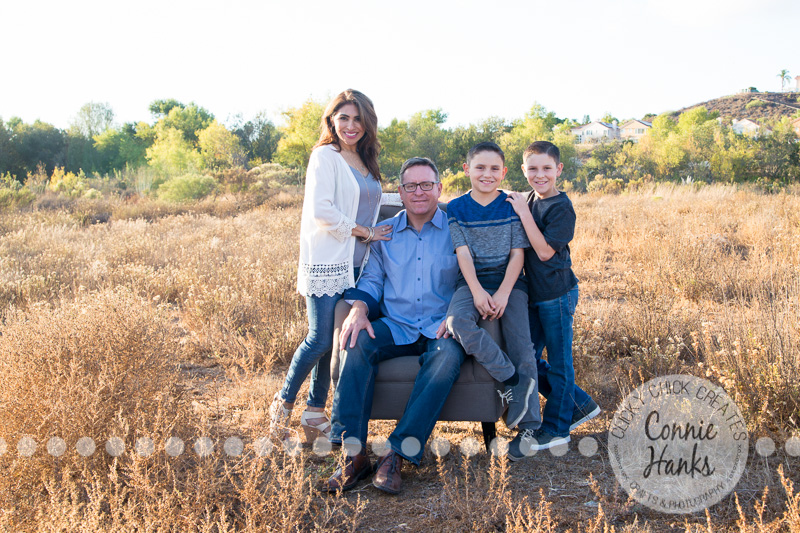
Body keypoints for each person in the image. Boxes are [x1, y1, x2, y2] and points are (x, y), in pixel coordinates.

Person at [326, 157, 464, 495]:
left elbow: (467, 280)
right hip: (396, 324)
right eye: (411, 186)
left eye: (426, 185)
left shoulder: (457, 229)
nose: (419, 192)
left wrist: (456, 316)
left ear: (439, 189)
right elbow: (372, 280)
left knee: (447, 357)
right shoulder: (385, 233)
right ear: (400, 193)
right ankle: (354, 456)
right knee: (355, 341)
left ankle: (397, 453)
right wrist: (359, 309)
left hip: (440, 327)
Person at [269, 89, 400, 443]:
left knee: (335, 341)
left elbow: (369, 198)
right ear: (331, 120)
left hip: (358, 264)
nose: (351, 125)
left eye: (358, 119)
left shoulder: (366, 159)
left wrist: (418, 197)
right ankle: (282, 405)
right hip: (328, 262)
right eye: (343, 118)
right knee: (319, 338)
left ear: (368, 123)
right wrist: (366, 232)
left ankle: (314, 412)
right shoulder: (325, 156)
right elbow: (322, 211)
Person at [506, 141, 600, 459]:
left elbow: (545, 252)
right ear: (524, 170)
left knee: (560, 363)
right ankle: (579, 404)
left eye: (547, 168)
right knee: (527, 358)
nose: (540, 175)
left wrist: (522, 212)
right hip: (533, 295)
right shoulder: (530, 199)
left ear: (558, 169)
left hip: (557, 294)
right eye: (533, 168)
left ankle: (557, 428)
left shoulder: (561, 207)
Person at [444, 142, 539, 430]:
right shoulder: (456, 207)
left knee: (522, 344)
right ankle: (509, 376)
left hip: (510, 281)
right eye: (480, 167)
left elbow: (517, 255)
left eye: (494, 168)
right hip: (471, 279)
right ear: (467, 169)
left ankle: (528, 422)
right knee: (457, 322)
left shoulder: (511, 204)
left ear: (504, 172)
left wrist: (503, 293)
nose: (487, 174)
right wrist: (477, 291)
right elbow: (462, 253)